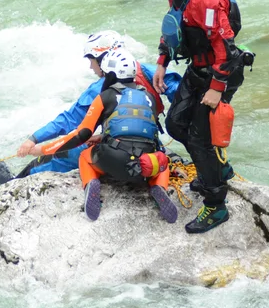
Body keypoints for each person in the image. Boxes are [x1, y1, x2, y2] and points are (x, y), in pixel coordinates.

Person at [144, 0, 250, 233]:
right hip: (199, 70)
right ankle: (218, 170)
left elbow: (225, 48)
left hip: (220, 73)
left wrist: (217, 88)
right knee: (176, 123)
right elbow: (172, 30)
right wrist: (161, 63)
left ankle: (216, 205)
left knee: (199, 136)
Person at [0, 31, 182, 185]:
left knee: (62, 154)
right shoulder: (151, 73)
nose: (91, 67)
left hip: (115, 154)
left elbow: (70, 121)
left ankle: (14, 182)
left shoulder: (100, 90)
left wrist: (35, 140)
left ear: (104, 60)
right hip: (149, 148)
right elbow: (181, 98)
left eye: (92, 60)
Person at [29, 49, 178, 223]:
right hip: (145, 167)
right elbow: (144, 133)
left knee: (85, 156)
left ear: (110, 74)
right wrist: (102, 137)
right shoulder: (149, 98)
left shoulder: (105, 96)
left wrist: (43, 149)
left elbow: (81, 134)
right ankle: (158, 187)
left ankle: (90, 186)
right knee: (163, 163)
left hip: (114, 162)